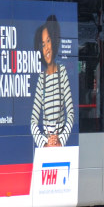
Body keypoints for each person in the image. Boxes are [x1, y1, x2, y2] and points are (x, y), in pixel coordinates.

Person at [30, 15, 74, 148]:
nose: (46, 48)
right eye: (43, 44)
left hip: (60, 145)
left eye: (48, 41)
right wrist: (45, 143)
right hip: (46, 145)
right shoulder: (41, 79)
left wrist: (60, 140)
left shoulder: (62, 73)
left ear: (54, 42)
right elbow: (33, 121)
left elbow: (70, 113)